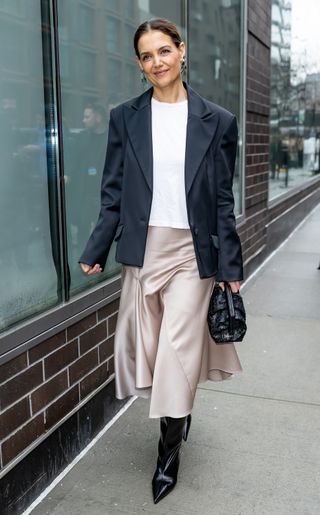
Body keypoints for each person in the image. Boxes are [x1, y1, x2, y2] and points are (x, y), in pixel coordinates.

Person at [79, 18, 243, 504]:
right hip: (144, 249)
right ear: (140, 64)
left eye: (164, 51)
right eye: (147, 56)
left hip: (194, 254)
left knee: (175, 350)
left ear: (182, 51)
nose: (157, 62)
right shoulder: (124, 117)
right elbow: (113, 192)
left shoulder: (218, 121)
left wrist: (230, 268)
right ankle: (180, 414)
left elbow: (222, 201)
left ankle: (168, 452)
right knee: (151, 347)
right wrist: (97, 246)